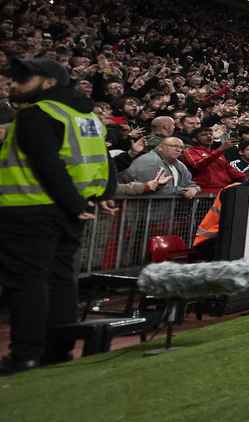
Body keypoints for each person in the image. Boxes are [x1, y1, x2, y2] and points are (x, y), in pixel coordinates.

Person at [0, 56, 108, 374]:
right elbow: (102, 160)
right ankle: (59, 348)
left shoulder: (38, 114)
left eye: (23, 78)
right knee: (61, 278)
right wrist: (96, 197)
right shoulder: (85, 116)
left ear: (47, 83)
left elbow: (48, 165)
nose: (14, 84)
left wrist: (74, 203)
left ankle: (27, 354)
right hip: (68, 210)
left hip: (30, 208)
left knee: (28, 281)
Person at [122, 135, 202, 197]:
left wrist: (195, 189)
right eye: (174, 146)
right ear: (160, 147)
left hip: (165, 211)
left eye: (181, 147)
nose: (178, 150)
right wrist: (183, 191)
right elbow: (154, 188)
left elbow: (190, 183)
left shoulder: (179, 164)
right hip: (142, 211)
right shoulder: (149, 161)